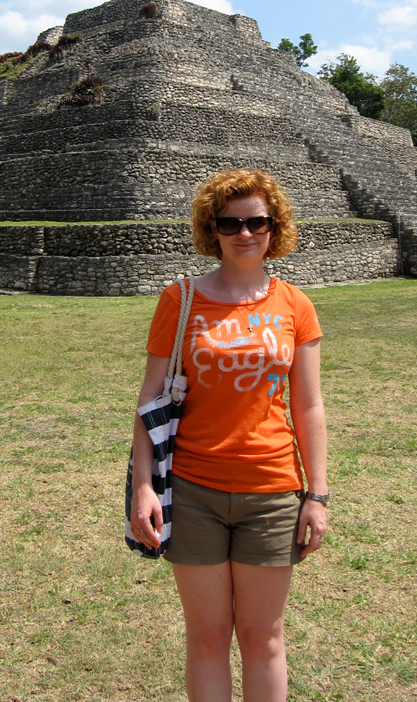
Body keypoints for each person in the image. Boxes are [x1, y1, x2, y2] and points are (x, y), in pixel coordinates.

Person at [129, 168, 328, 702]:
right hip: (194, 490)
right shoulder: (180, 300)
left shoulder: (295, 305)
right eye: (229, 223)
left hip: (273, 491)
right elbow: (151, 401)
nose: (244, 233)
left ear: (274, 227)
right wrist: (144, 488)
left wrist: (317, 495)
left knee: (264, 638)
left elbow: (308, 405)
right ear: (210, 229)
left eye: (257, 222)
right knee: (208, 637)